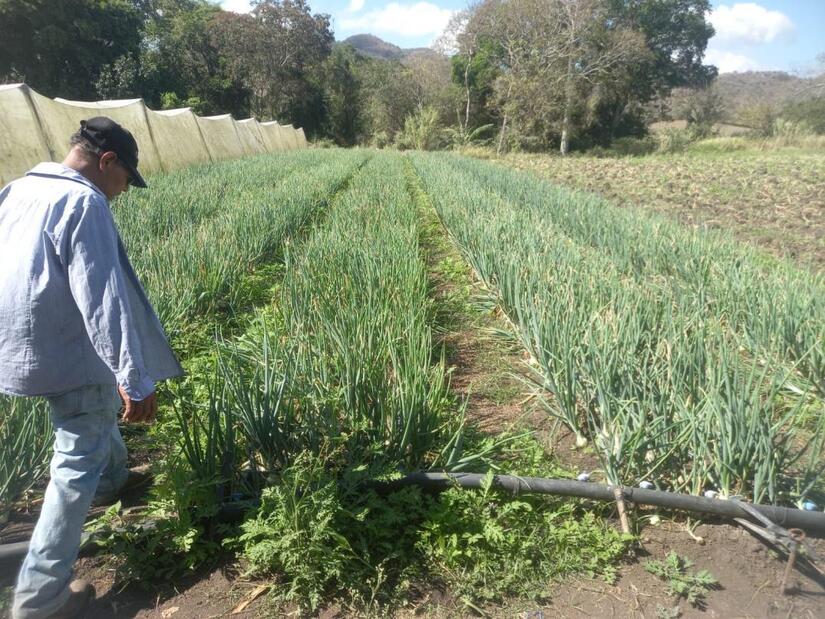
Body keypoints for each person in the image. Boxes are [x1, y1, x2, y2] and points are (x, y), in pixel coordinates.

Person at [0, 117, 183, 619]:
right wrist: (133, 376)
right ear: (107, 161)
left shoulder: (17, 189)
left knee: (93, 418)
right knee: (76, 456)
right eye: (125, 178)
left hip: (17, 346)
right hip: (67, 348)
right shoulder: (84, 202)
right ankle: (42, 599)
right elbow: (103, 299)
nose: (122, 190)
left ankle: (112, 479)